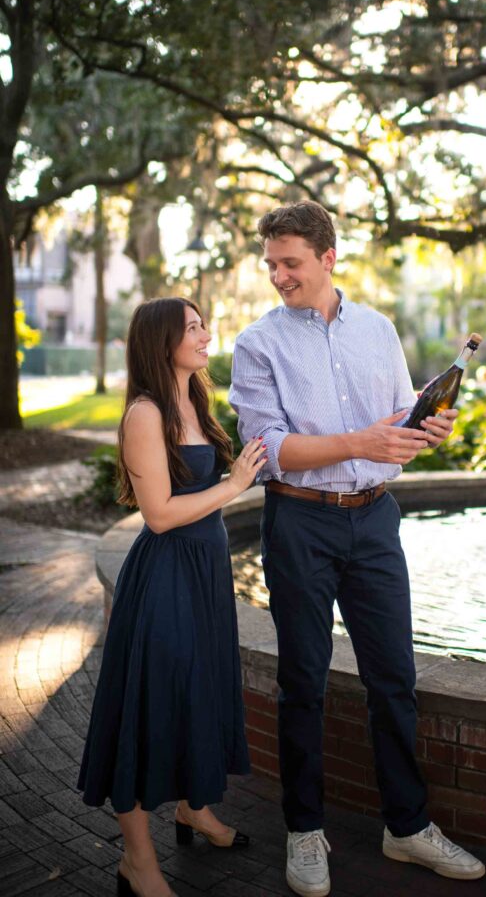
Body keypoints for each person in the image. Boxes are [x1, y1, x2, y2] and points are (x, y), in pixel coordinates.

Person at [229, 202, 486, 897]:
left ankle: (406, 827)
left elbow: (398, 419)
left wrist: (423, 431)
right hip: (300, 524)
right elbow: (271, 452)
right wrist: (359, 442)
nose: (278, 275)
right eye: (272, 264)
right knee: (302, 682)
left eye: (291, 263)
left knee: (393, 679)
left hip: (375, 520)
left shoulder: (378, 330)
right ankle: (304, 830)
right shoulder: (257, 344)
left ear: (327, 257)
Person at [78, 297, 267, 897]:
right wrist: (234, 485)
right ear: (163, 343)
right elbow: (158, 515)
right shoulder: (144, 413)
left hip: (207, 574)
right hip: (166, 580)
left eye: (203, 324)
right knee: (150, 705)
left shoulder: (195, 397)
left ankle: (194, 809)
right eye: (193, 328)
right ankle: (138, 860)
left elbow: (204, 484)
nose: (206, 335)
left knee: (201, 692)